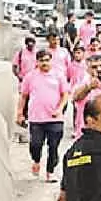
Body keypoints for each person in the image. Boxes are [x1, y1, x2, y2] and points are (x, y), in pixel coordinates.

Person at [17, 48, 71, 181]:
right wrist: (19, 113)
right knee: (35, 144)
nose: (44, 63)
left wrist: (59, 109)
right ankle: (36, 160)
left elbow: (65, 95)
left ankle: (50, 172)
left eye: (47, 60)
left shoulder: (59, 76)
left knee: (53, 146)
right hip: (36, 118)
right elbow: (23, 96)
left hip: (55, 118)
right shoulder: (30, 76)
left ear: (51, 61)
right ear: (37, 62)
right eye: (42, 61)